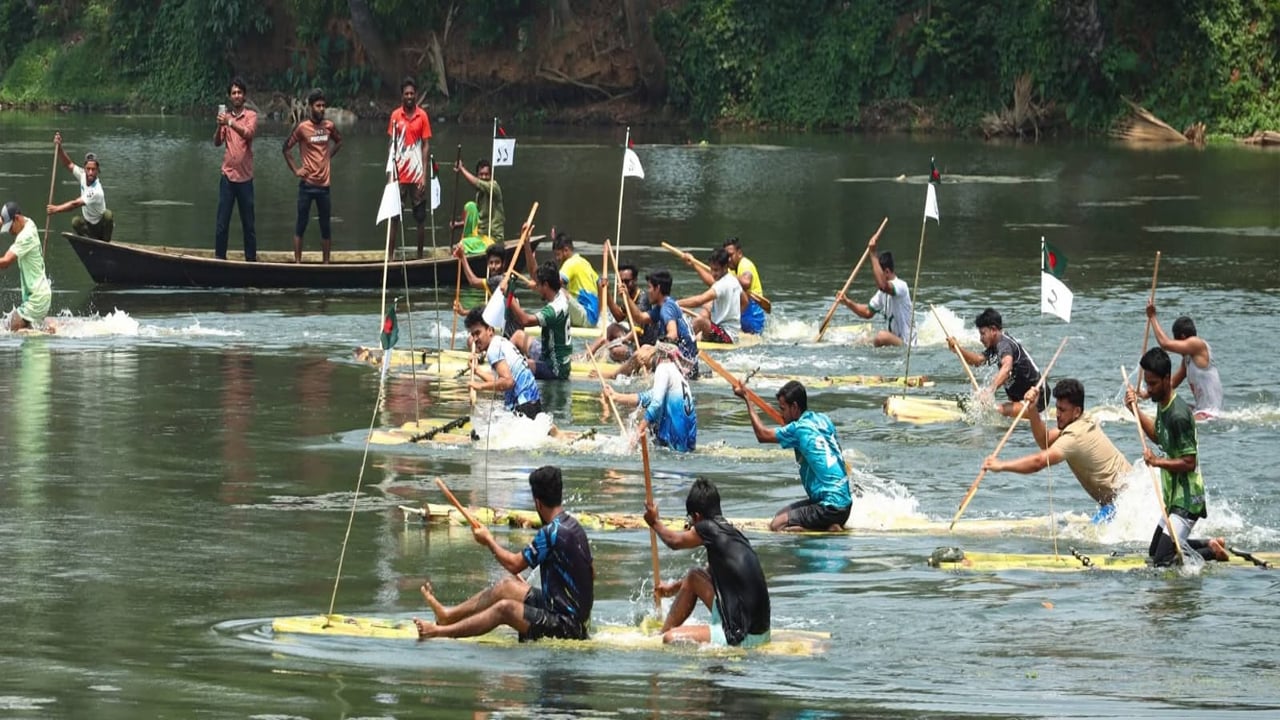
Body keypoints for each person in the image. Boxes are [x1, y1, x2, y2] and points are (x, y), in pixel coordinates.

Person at [415, 466, 594, 641]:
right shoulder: (574, 527)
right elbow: (591, 573)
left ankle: (438, 632)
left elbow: (514, 564)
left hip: (566, 625)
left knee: (505, 609)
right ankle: (447, 616)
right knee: (506, 587)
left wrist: (489, 541)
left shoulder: (551, 532)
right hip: (566, 613)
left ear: (537, 502)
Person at [1124, 347, 1228, 566]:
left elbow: (1189, 462)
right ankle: (1210, 543)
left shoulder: (1178, 414)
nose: (1148, 389)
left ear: (1166, 379)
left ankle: (1211, 553)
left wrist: (1156, 462)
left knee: (1161, 561)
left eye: (1153, 384)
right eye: (1147, 383)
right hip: (1174, 496)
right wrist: (1135, 410)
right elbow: (1159, 437)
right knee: (1155, 552)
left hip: (1187, 500)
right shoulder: (1163, 404)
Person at [643, 478, 770, 647]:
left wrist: (654, 522)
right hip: (759, 630)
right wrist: (672, 589)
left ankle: (663, 637)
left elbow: (674, 542)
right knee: (694, 576)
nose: (689, 526)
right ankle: (661, 633)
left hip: (743, 636)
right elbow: (706, 574)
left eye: (690, 520)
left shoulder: (707, 528)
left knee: (671, 639)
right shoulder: (731, 534)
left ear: (697, 516)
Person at [983, 379, 1131, 524]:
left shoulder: (1074, 436)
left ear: (1077, 411)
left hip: (1126, 503)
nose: (1058, 414)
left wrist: (1001, 466)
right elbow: (1045, 441)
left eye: (1062, 410)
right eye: (1057, 408)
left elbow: (1039, 461)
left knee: (1089, 534)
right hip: (1125, 498)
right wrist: (1032, 409)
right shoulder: (1083, 419)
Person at [739, 380, 852, 531]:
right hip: (845, 505)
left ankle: (827, 528)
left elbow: (762, 435)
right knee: (780, 515)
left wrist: (747, 400)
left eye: (783, 409)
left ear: (794, 407)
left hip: (830, 506)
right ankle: (829, 524)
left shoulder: (798, 429)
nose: (781, 414)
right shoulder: (823, 419)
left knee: (777, 525)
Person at [947, 308, 1046, 418]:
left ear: (993, 330)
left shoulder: (1004, 345)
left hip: (1037, 400)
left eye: (983, 334)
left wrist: (989, 391)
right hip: (1021, 399)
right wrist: (958, 350)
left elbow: (1007, 368)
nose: (980, 339)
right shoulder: (995, 346)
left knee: (998, 410)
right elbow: (977, 361)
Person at [282, 88, 343, 263]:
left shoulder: (329, 126)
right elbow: (286, 149)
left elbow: (339, 141)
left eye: (323, 105)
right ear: (310, 107)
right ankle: (298, 262)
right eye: (318, 106)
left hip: (324, 186)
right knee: (301, 224)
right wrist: (296, 170)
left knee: (325, 227)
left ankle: (326, 263)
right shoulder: (302, 128)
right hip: (307, 185)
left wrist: (328, 156)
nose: (322, 109)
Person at [604, 342, 697, 452]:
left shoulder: (663, 368)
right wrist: (615, 396)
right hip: (688, 440)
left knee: (649, 418)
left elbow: (656, 403)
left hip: (674, 439)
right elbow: (648, 397)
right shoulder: (675, 374)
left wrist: (638, 432)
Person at [608, 270, 699, 379]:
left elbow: (672, 335)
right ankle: (630, 374)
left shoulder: (667, 308)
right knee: (645, 347)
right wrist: (627, 298)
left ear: (658, 288)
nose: (648, 291)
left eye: (650, 287)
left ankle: (612, 376)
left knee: (638, 355)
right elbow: (640, 317)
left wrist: (652, 351)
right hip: (688, 363)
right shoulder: (664, 305)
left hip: (685, 369)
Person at [1146, 303, 1224, 419]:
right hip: (1200, 409)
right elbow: (1172, 383)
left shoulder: (1196, 343)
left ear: (1182, 338)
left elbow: (1165, 344)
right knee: (1168, 407)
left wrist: (1152, 317)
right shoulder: (1187, 359)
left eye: (1176, 340)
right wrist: (1147, 393)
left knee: (1174, 417)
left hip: (1211, 413)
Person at [835, 232, 913, 347]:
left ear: (887, 272)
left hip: (907, 343)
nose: (876, 278)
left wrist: (872, 254)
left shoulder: (901, 286)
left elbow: (883, 286)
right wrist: (847, 302)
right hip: (894, 339)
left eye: (879, 273)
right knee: (862, 339)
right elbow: (867, 312)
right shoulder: (882, 294)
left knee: (881, 336)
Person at [464, 306, 543, 419]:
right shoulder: (499, 341)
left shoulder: (493, 350)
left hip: (523, 404)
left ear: (490, 330)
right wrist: (477, 371)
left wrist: (480, 386)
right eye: (473, 335)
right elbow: (499, 380)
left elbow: (508, 382)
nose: (475, 339)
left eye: (478, 333)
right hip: (532, 400)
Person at [213, 76, 258, 261]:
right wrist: (219, 126)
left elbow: (248, 134)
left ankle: (251, 261)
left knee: (249, 225)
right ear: (230, 96)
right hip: (228, 177)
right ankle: (219, 259)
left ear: (244, 95)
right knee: (222, 224)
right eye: (234, 93)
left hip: (245, 179)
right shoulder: (226, 117)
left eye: (239, 92)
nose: (237, 95)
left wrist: (230, 123)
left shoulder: (251, 116)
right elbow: (217, 142)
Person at [387, 76, 431, 256]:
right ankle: (390, 256)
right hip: (399, 175)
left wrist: (424, 175)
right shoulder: (395, 116)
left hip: (417, 174)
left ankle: (420, 256)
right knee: (394, 217)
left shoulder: (422, 116)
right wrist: (391, 175)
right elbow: (391, 145)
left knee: (420, 217)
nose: (409, 96)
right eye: (406, 93)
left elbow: (426, 145)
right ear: (402, 95)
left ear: (416, 95)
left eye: (412, 93)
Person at [507, 261, 573, 380]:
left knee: (520, 365)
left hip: (555, 369)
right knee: (518, 336)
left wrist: (509, 297)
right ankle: (503, 363)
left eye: (538, 285)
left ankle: (502, 371)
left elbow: (525, 320)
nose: (537, 288)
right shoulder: (561, 294)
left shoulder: (553, 310)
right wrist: (537, 284)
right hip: (547, 354)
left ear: (546, 285)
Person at [587, 257, 655, 362]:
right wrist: (607, 292)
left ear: (635, 280)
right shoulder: (628, 295)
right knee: (612, 328)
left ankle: (604, 355)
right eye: (621, 281)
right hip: (632, 339)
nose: (623, 285)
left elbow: (636, 332)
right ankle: (588, 354)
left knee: (616, 351)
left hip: (643, 346)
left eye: (627, 281)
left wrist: (616, 342)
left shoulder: (642, 299)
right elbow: (619, 317)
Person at [47, 133, 112, 242]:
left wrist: (56, 209)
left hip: (100, 226)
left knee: (108, 215)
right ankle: (91, 240)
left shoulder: (97, 191)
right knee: (76, 222)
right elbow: (68, 164)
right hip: (88, 224)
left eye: (93, 169)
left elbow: (75, 204)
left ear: (98, 171)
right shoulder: (82, 175)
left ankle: (105, 243)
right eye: (88, 169)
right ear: (84, 169)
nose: (90, 172)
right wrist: (59, 147)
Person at [0, 202, 53, 332]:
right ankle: (48, 329)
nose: (10, 232)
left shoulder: (25, 237)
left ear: (17, 218)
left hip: (37, 298)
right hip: (39, 295)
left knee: (12, 329)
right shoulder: (29, 222)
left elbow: (6, 262)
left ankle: (46, 331)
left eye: (10, 227)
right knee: (11, 327)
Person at [454, 244, 521, 338]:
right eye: (491, 263)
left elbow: (473, 281)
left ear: (503, 264)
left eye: (497, 263)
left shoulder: (499, 280)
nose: (493, 266)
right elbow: (488, 309)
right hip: (510, 330)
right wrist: (464, 312)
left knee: (472, 338)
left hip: (510, 334)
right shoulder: (505, 279)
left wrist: (462, 257)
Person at [677, 248, 741, 344]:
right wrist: (694, 263)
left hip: (726, 336)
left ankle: (676, 343)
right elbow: (744, 301)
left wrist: (675, 303)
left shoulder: (722, 284)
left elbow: (699, 300)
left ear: (725, 267)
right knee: (705, 309)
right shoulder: (734, 280)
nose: (713, 273)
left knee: (701, 321)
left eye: (716, 270)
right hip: (727, 332)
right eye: (711, 269)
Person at [551, 232, 600, 327]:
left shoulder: (570, 263)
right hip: (593, 318)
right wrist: (601, 312)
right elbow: (601, 284)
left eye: (558, 254)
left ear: (566, 250)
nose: (557, 258)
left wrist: (539, 285)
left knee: (558, 291)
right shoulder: (585, 262)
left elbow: (554, 285)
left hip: (585, 317)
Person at [454, 158, 504, 242]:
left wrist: (462, 169)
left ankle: (464, 244)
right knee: (470, 206)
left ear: (491, 175)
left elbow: (477, 183)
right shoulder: (479, 193)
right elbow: (478, 219)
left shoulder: (494, 187)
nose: (484, 177)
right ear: (477, 175)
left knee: (464, 244)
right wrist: (458, 225)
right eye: (481, 174)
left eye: (486, 174)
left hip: (492, 238)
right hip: (480, 235)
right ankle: (466, 241)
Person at [723, 237, 765, 334]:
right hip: (741, 313)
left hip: (753, 315)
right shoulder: (730, 269)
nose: (728, 259)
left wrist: (726, 276)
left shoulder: (745, 264)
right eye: (726, 256)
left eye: (731, 255)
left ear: (739, 253)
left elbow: (746, 283)